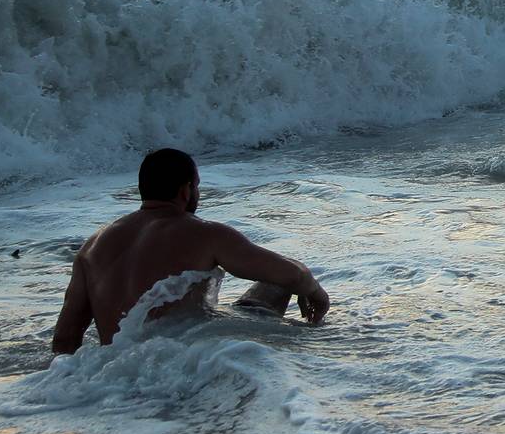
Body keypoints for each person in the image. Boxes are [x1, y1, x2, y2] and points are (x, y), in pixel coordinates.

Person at [50, 149, 330, 354]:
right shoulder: (204, 233)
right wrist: (316, 294)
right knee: (276, 284)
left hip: (119, 367)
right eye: (196, 186)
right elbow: (292, 275)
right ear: (186, 190)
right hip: (185, 361)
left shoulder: (93, 246)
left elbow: (65, 339)